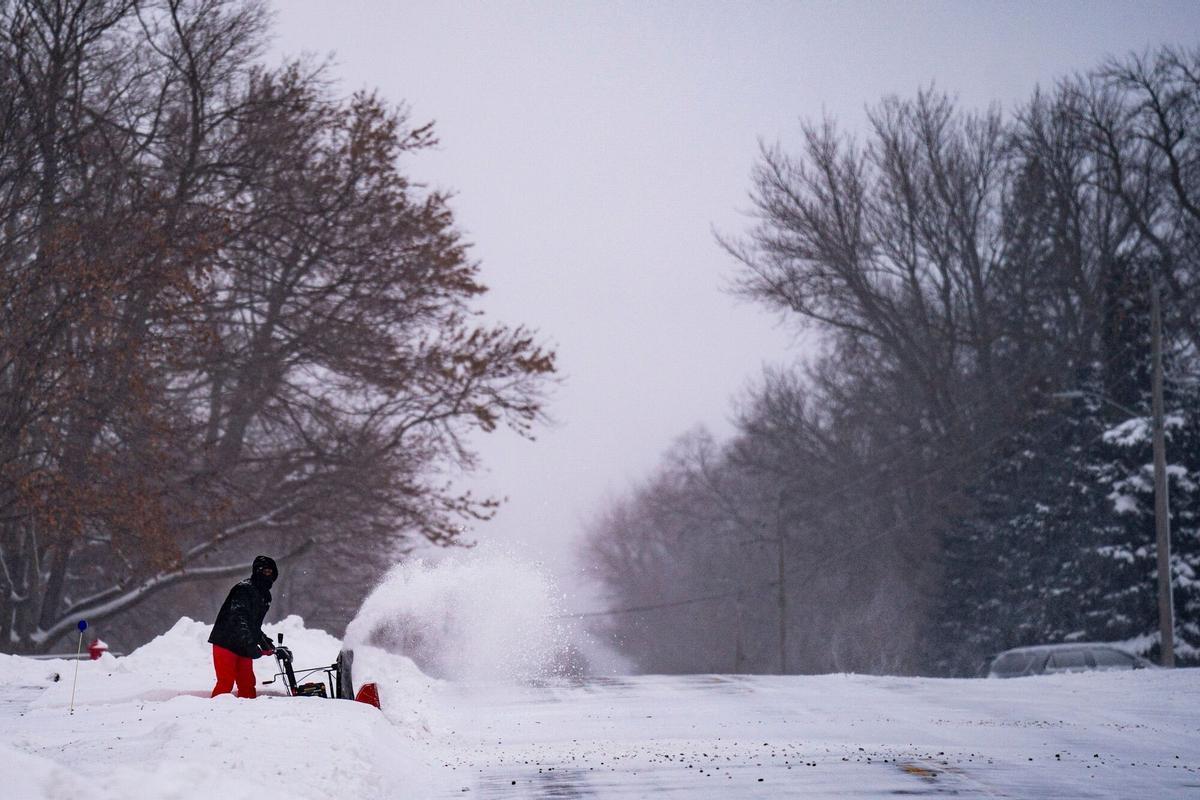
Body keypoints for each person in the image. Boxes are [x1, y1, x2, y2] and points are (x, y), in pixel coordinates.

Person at [209, 555, 278, 698]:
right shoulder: (243, 589)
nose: (268, 575)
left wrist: (265, 643)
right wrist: (251, 645)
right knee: (226, 683)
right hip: (226, 642)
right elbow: (238, 618)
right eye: (265, 571)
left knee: (247, 684)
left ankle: (247, 716)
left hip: (243, 646)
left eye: (271, 572)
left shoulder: (265, 596)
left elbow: (253, 624)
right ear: (257, 571)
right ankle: (213, 715)